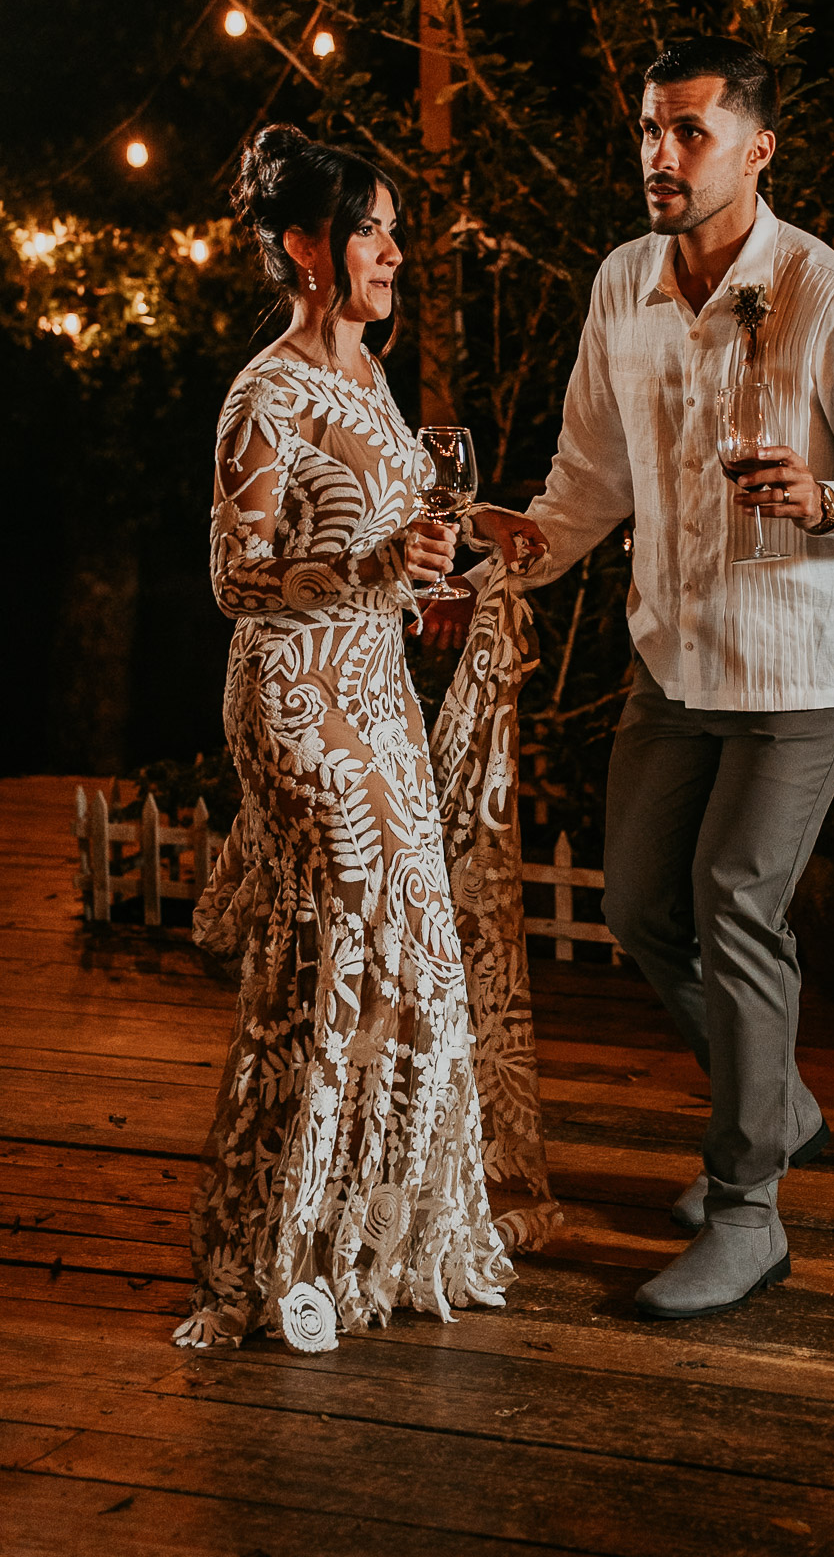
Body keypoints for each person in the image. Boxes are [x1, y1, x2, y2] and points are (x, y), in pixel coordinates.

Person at [456, 37, 834, 1320]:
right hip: (671, 658)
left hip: (801, 664)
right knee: (637, 909)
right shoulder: (623, 283)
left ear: (757, 149)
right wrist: (503, 559)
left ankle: (747, 1210)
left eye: (688, 132)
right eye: (648, 130)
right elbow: (588, 477)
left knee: (733, 901)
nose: (659, 155)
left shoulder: (833, 298)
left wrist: (826, 498)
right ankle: (777, 1099)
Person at [175, 123, 542, 1352]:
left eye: (392, 232)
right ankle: (280, 1255)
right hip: (296, 700)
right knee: (337, 951)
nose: (392, 252)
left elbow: (396, 515)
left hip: (378, 688)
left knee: (416, 955)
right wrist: (372, 570)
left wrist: (474, 524)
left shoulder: (371, 376)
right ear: (304, 246)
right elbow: (235, 578)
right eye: (370, 231)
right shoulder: (265, 394)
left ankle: (375, 1239)